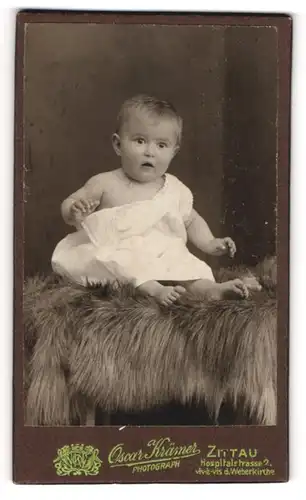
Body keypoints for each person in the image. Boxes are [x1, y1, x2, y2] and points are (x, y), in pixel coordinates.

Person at [52, 95, 260, 305]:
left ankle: (211, 290)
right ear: (118, 144)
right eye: (140, 141)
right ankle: (154, 290)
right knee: (121, 262)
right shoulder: (104, 183)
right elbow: (72, 203)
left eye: (161, 145)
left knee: (188, 266)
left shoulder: (175, 189)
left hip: (163, 253)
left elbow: (191, 220)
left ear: (173, 152)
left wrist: (210, 243)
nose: (149, 152)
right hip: (120, 249)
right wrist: (73, 210)